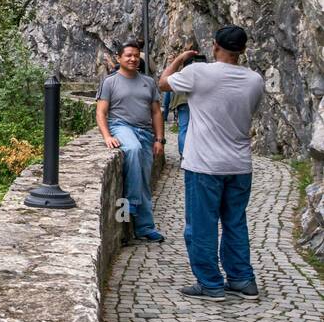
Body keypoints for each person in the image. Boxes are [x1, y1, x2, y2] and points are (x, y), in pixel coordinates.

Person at [159, 27, 264, 302]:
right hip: (240, 164)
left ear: (215, 45)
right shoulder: (255, 80)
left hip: (204, 164)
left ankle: (210, 284)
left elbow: (162, 83)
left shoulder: (199, 73)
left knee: (201, 226)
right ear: (242, 50)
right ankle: (242, 279)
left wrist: (179, 59)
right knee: (235, 222)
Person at [97, 42, 165, 242]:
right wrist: (107, 136)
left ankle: (143, 227)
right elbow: (101, 112)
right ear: (119, 58)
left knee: (142, 180)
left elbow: (156, 112)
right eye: (128, 55)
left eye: (136, 56)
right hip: (121, 126)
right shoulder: (110, 82)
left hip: (145, 132)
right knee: (132, 149)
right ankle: (131, 206)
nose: (133, 59)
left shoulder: (148, 82)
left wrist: (159, 139)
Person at [161, 51, 204, 157]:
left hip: (182, 103)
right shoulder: (202, 74)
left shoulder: (182, 73)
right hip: (197, 103)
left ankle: (183, 154)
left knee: (183, 128)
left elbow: (164, 84)